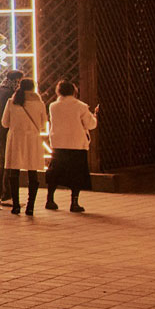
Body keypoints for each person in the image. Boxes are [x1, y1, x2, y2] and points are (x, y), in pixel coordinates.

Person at [46, 81, 98, 212]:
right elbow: (90, 124)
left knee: (55, 173)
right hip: (76, 144)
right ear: (74, 91)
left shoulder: (53, 106)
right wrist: (94, 116)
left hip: (58, 143)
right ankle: (74, 203)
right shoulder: (81, 106)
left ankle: (50, 199)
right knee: (76, 174)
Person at [0, 77, 47, 216]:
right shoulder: (40, 103)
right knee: (33, 172)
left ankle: (15, 205)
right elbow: (43, 124)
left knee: (14, 172)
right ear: (33, 88)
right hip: (33, 140)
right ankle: (30, 206)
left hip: (15, 139)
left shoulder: (12, 102)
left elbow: (4, 123)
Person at [0, 70, 25, 206]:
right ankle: (7, 195)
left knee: (2, 160)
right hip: (7, 130)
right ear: (16, 80)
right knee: (9, 162)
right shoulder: (11, 94)